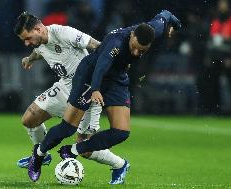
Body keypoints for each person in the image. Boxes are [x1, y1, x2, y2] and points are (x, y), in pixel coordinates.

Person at [27, 10, 181, 182]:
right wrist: (95, 89)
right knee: (68, 127)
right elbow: (101, 66)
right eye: (135, 47)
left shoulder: (155, 29)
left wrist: (176, 24)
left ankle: (72, 151)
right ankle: (39, 156)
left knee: (121, 132)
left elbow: (166, 14)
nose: (137, 53)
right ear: (131, 36)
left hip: (116, 79)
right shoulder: (116, 44)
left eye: (142, 50)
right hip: (89, 76)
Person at [14, 12, 129, 184]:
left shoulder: (64, 33)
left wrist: (110, 68)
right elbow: (39, 51)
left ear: (39, 28)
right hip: (65, 87)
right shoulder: (40, 41)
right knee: (29, 119)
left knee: (85, 148)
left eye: (28, 38)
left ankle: (120, 164)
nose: (27, 43)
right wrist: (30, 58)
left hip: (86, 93)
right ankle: (40, 154)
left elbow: (96, 45)